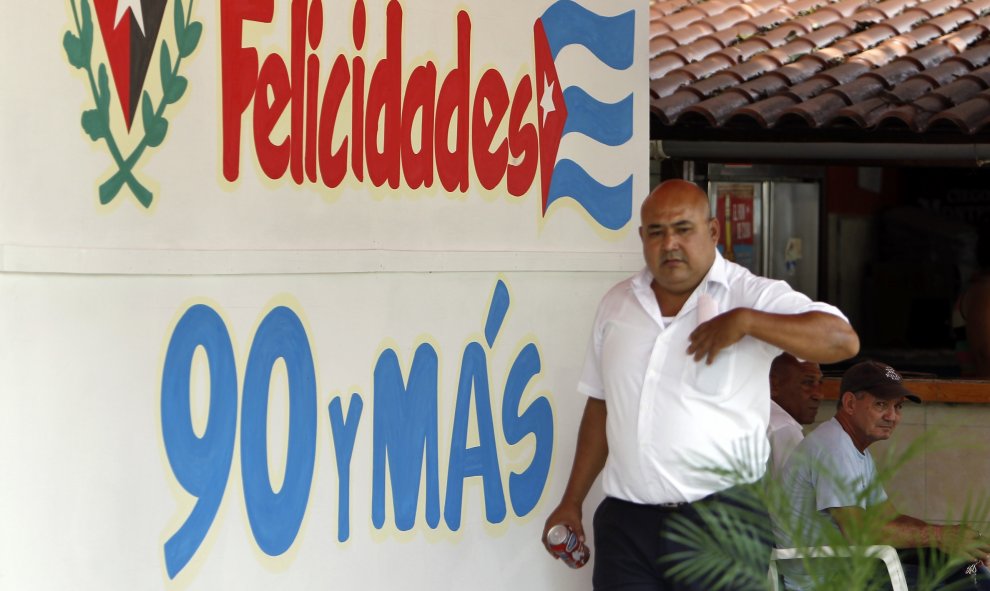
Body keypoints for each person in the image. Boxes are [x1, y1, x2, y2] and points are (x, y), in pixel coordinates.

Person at [542, 179, 860, 590]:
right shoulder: (617, 303)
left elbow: (842, 339)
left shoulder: (748, 293)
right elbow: (602, 406)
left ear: (713, 231)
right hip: (628, 523)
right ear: (642, 238)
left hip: (720, 525)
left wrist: (746, 321)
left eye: (683, 228)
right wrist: (572, 501)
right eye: (656, 232)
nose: (669, 242)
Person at [774, 360, 990, 590]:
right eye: (881, 404)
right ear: (849, 403)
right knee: (966, 582)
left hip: (857, 569)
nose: (892, 416)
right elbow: (860, 534)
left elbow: (889, 518)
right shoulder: (833, 447)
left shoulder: (852, 448)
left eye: (898, 407)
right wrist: (939, 537)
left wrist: (953, 538)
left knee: (968, 569)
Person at [768, 353, 824, 476]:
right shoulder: (783, 428)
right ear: (774, 385)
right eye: (808, 382)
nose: (819, 395)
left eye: (820, 383)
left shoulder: (757, 416)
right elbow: (796, 493)